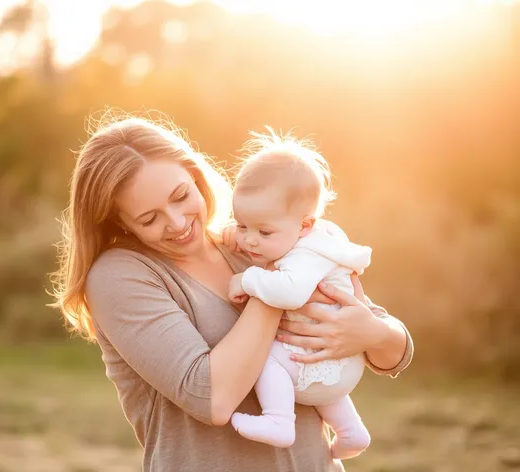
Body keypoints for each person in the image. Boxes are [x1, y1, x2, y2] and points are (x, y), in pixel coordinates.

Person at [51, 114, 414, 472]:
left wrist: (371, 332)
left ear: (195, 176)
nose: (177, 223)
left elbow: (394, 352)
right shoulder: (121, 276)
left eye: (181, 196)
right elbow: (212, 398)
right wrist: (280, 279)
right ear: (120, 222)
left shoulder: (249, 242)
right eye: (149, 218)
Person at [224, 129, 374, 459]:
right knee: (299, 356)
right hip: (337, 364)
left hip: (325, 361)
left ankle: (278, 420)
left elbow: (290, 294)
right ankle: (351, 431)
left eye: (263, 231)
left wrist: (247, 280)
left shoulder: (307, 254)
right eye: (241, 225)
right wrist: (237, 233)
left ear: (305, 225)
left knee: (263, 357)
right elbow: (259, 235)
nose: (249, 241)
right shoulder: (316, 235)